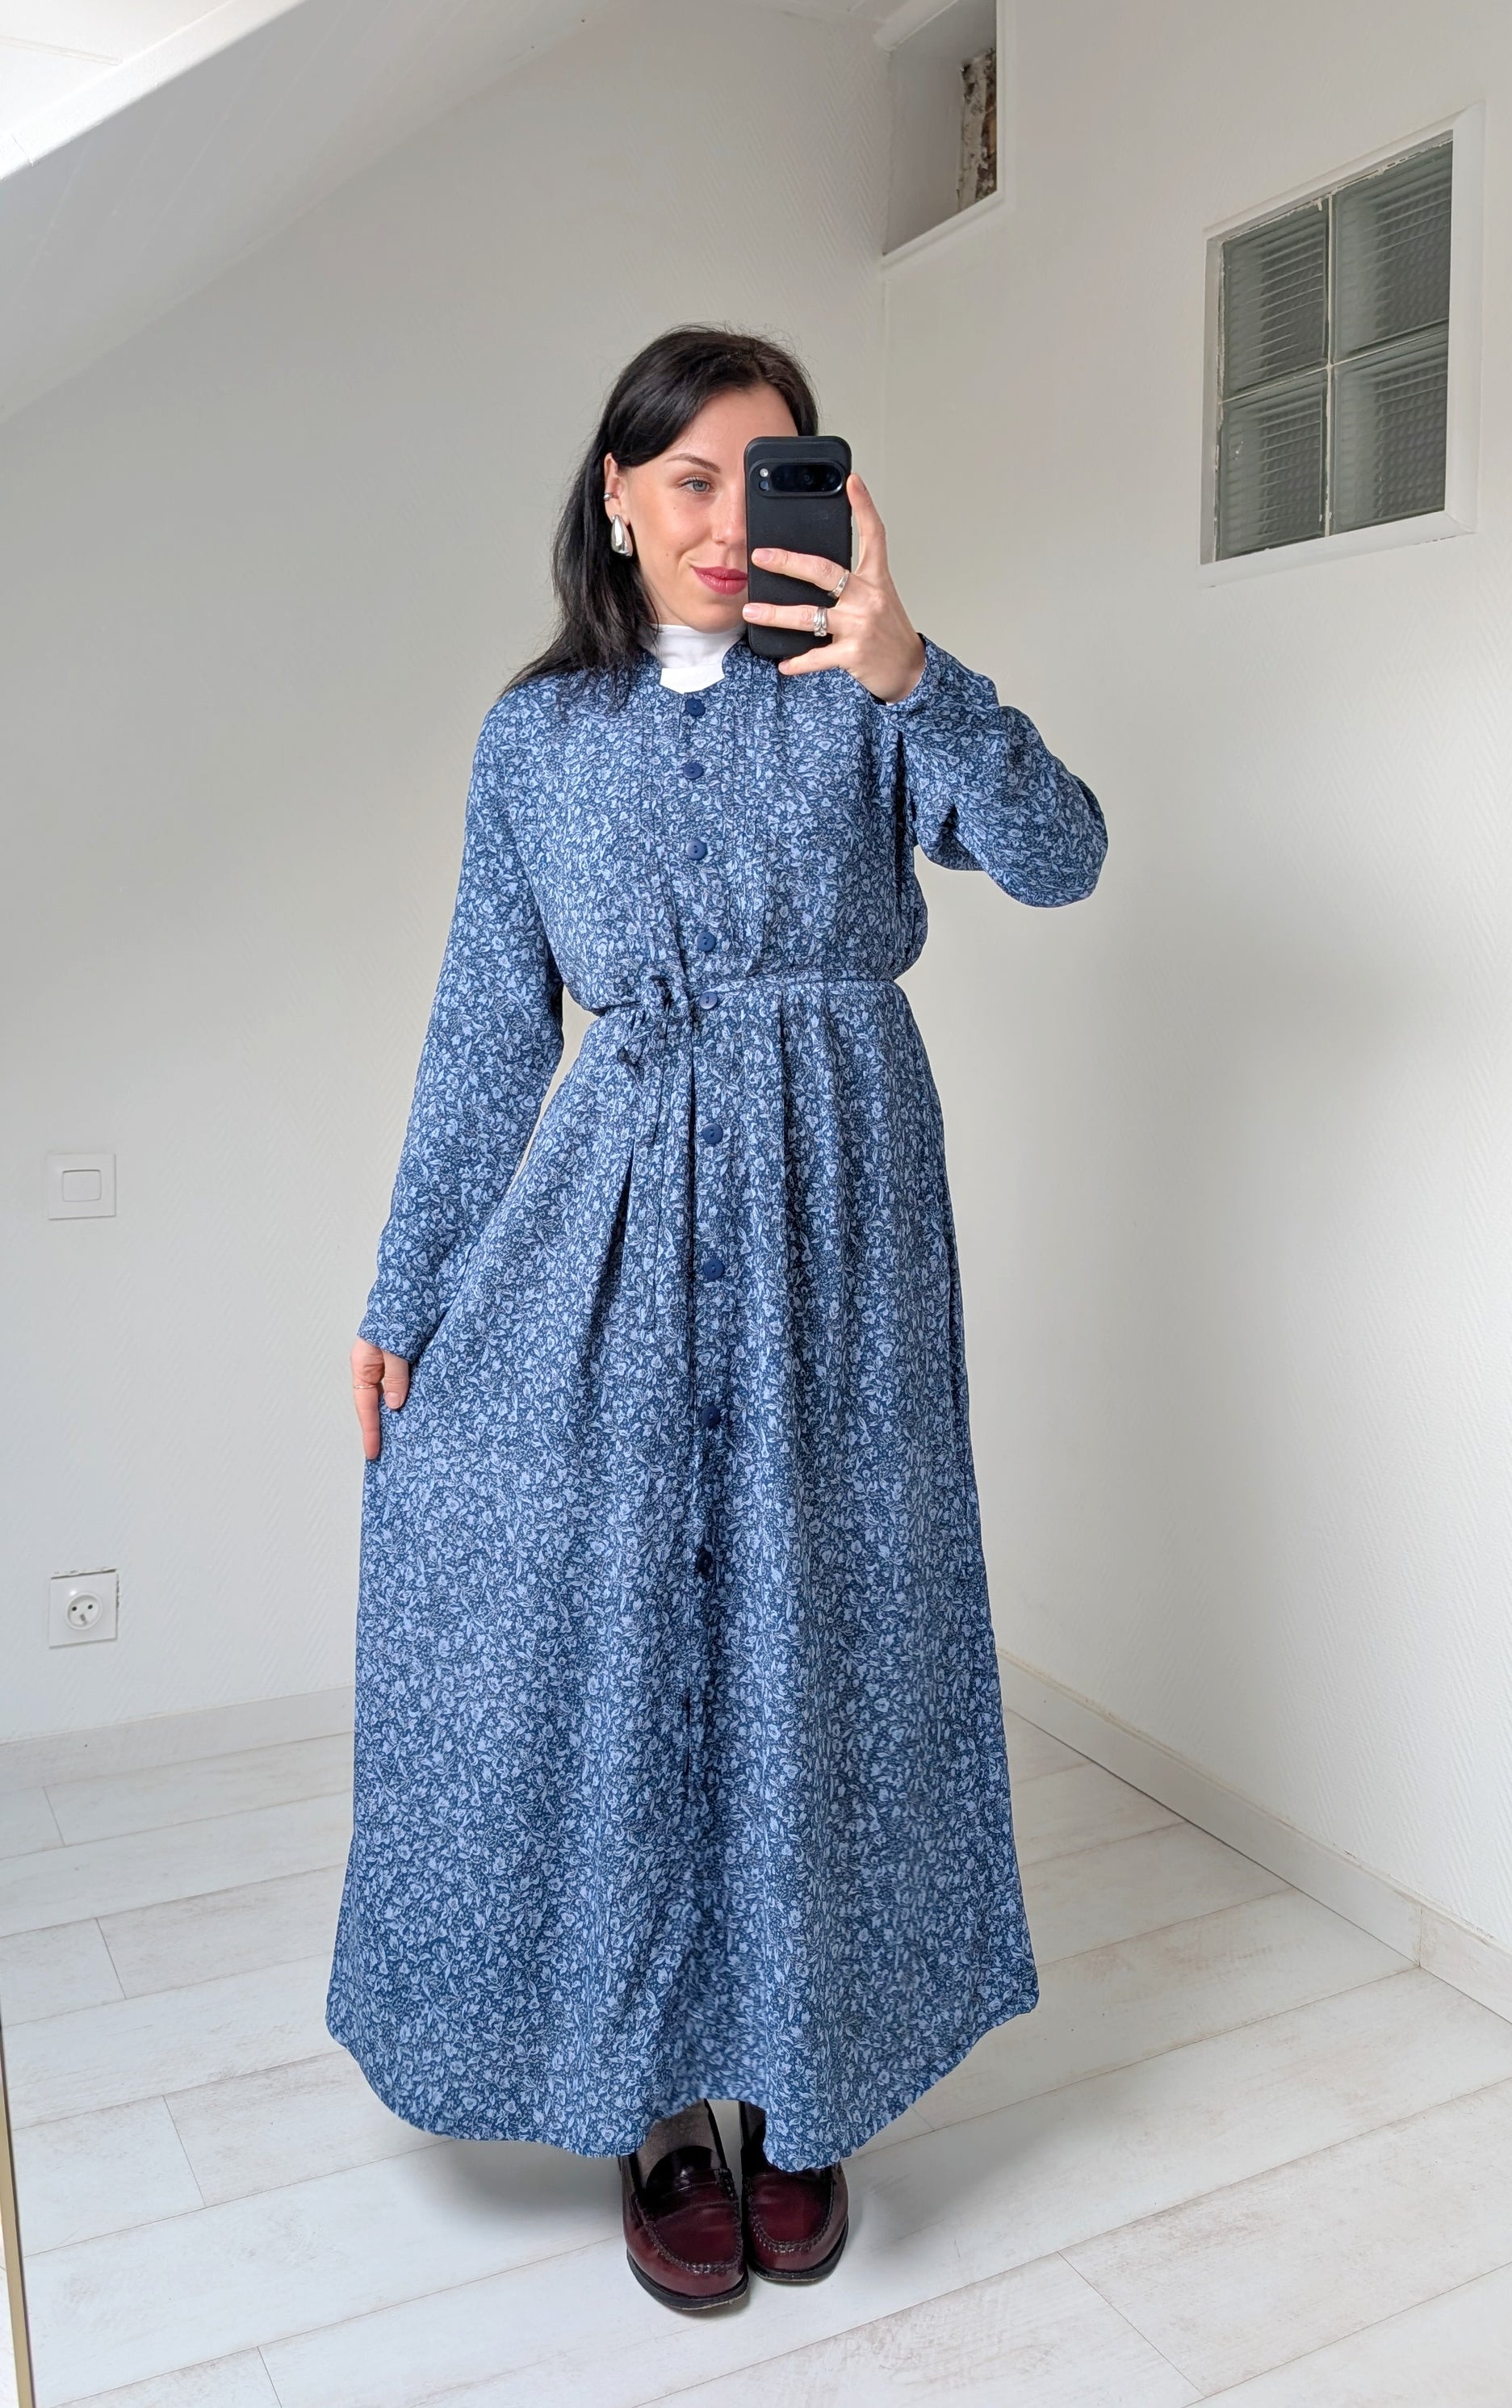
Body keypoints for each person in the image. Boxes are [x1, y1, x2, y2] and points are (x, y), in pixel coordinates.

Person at [326, 325, 1106, 2314]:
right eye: (687, 477)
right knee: (604, 1627)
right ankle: (656, 2095)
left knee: (822, 1627)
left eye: (766, 478)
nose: (721, 520)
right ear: (615, 493)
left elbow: (1064, 856)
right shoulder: (535, 739)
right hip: (605, 1221)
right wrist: (407, 1288)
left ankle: (809, 2081)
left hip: (841, 1224)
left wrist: (914, 672)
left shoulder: (862, 687)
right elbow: (486, 1027)